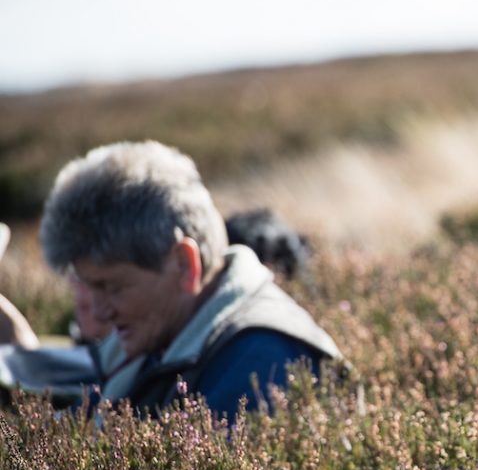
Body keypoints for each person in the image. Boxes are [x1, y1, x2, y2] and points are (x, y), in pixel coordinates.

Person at [30, 140, 343, 418]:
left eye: (112, 287)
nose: (98, 312)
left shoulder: (265, 363)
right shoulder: (159, 330)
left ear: (184, 264)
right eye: (88, 286)